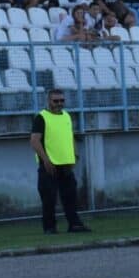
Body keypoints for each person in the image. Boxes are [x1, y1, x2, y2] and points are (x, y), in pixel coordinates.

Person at [30, 89, 90, 235]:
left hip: (66, 165)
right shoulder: (41, 117)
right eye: (55, 101)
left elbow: (69, 137)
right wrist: (46, 160)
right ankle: (50, 228)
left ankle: (74, 225)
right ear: (49, 101)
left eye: (61, 100)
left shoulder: (66, 116)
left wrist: (75, 154)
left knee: (70, 197)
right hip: (49, 165)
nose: (59, 103)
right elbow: (34, 141)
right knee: (49, 199)